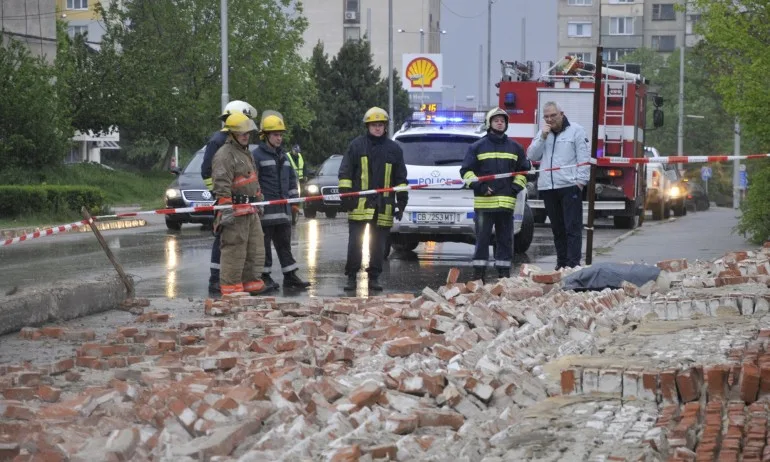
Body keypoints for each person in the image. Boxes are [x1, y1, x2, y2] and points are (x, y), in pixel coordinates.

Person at [338, 107, 408, 292]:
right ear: (367, 126)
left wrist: (401, 203)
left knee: (378, 247)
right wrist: (346, 197)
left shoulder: (394, 149)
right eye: (374, 125)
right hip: (359, 205)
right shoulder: (356, 146)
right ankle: (351, 277)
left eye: (380, 125)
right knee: (355, 244)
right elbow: (345, 172)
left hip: (383, 206)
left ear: (385, 127)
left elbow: (401, 178)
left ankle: (374, 278)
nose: (377, 128)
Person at [460, 107, 530, 283]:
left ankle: (503, 274)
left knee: (505, 240)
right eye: (496, 120)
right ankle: (478, 275)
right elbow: (466, 172)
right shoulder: (477, 147)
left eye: (503, 120)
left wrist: (514, 188)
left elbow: (523, 172)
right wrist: (481, 187)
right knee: (482, 240)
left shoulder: (516, 147)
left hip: (506, 204)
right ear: (489, 123)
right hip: (484, 204)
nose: (500, 122)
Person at [201, 100, 258, 294]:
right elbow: (212, 173)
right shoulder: (220, 144)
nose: (246, 132)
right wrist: (221, 200)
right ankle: (220, 282)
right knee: (230, 245)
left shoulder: (242, 149)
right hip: (229, 204)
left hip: (241, 206)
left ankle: (240, 284)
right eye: (243, 126)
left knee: (246, 247)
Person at [526, 101, 590, 269]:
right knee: (557, 229)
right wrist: (542, 137)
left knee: (572, 228)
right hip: (548, 187)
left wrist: (580, 183)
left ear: (562, 114)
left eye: (553, 115)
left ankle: (573, 265)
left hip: (570, 186)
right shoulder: (543, 133)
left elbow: (584, 159)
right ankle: (561, 264)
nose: (550, 119)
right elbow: (532, 155)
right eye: (546, 116)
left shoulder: (576, 130)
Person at [252, 111, 311, 290]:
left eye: (281, 135)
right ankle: (264, 277)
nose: (279, 138)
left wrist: (294, 202)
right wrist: (257, 203)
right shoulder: (257, 156)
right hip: (266, 211)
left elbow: (292, 180)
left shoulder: (284, 157)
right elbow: (253, 181)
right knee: (264, 247)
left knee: (285, 244)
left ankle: (290, 276)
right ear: (266, 136)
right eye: (276, 135)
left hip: (283, 210)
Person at [211, 112, 266, 296]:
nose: (246, 135)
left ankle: (251, 288)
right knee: (234, 252)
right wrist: (226, 211)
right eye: (242, 132)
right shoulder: (224, 155)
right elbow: (221, 185)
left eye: (248, 132)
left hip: (250, 211)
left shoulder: (245, 153)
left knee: (255, 251)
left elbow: (252, 181)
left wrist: (259, 201)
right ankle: (232, 291)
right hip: (235, 213)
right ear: (231, 133)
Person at [286, 144, 306, 226]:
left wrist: (305, 175)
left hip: (299, 180)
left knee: (299, 196)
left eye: (298, 152)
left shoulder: (300, 156)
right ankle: (293, 210)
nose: (297, 153)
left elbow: (304, 166)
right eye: (295, 151)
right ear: (292, 150)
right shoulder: (287, 156)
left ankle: (298, 208)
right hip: (289, 180)